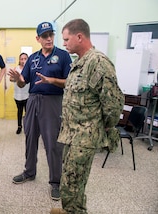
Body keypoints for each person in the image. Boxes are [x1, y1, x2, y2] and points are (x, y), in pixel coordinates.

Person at [50, 19, 124, 214]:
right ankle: (69, 211)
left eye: (66, 39)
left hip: (84, 138)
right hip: (72, 135)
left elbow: (114, 104)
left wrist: (104, 127)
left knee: (73, 186)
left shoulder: (98, 62)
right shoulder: (80, 63)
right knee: (69, 183)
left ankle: (74, 211)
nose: (64, 43)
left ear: (79, 37)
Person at [8, 21, 72, 200]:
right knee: (30, 138)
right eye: (45, 36)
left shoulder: (63, 56)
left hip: (52, 101)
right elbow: (23, 81)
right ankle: (29, 172)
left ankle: (56, 182)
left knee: (53, 143)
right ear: (38, 38)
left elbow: (69, 82)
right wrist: (17, 78)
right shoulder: (33, 58)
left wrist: (51, 80)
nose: (49, 38)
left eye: (51, 34)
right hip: (33, 101)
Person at [9, 53, 29, 134]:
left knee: (28, 112)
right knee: (19, 110)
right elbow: (11, 79)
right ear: (19, 60)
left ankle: (28, 127)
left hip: (27, 94)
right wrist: (17, 79)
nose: (23, 60)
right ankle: (19, 126)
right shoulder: (16, 69)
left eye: (25, 58)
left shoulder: (29, 68)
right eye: (22, 59)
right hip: (18, 94)